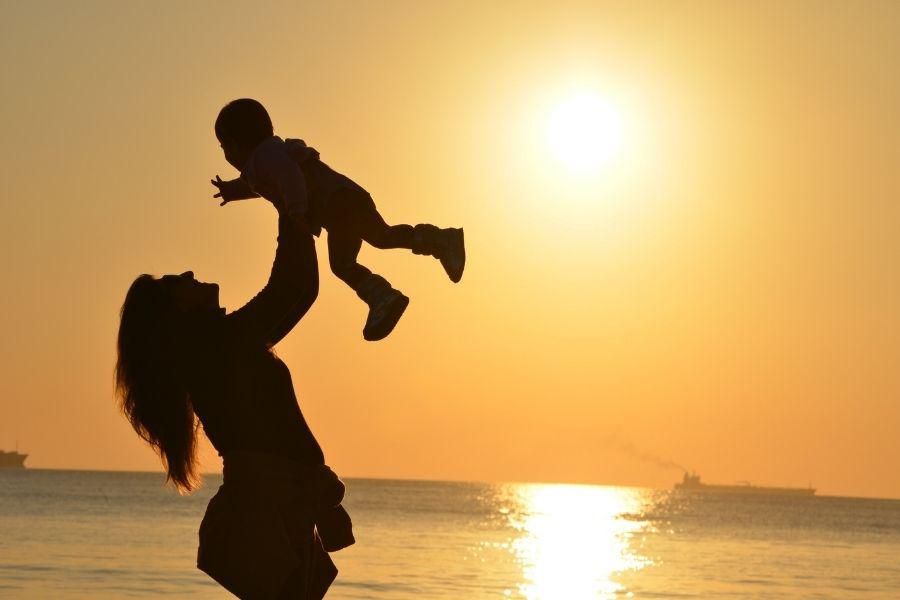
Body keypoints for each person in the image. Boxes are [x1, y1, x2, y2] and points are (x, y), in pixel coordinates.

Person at [115, 207, 352, 599]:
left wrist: (293, 209)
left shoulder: (221, 346)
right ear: (178, 316)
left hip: (278, 508)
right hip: (268, 510)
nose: (190, 275)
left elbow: (298, 292)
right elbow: (292, 289)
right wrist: (287, 201)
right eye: (179, 283)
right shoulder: (219, 346)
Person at [211, 98, 466, 341]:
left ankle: (384, 296)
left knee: (344, 263)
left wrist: (296, 211)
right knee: (381, 237)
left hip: (337, 204)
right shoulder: (267, 158)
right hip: (344, 200)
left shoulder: (266, 158)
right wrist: (233, 191)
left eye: (224, 148)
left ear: (233, 145)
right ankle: (438, 241)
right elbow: (260, 183)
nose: (226, 155)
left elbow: (289, 177)